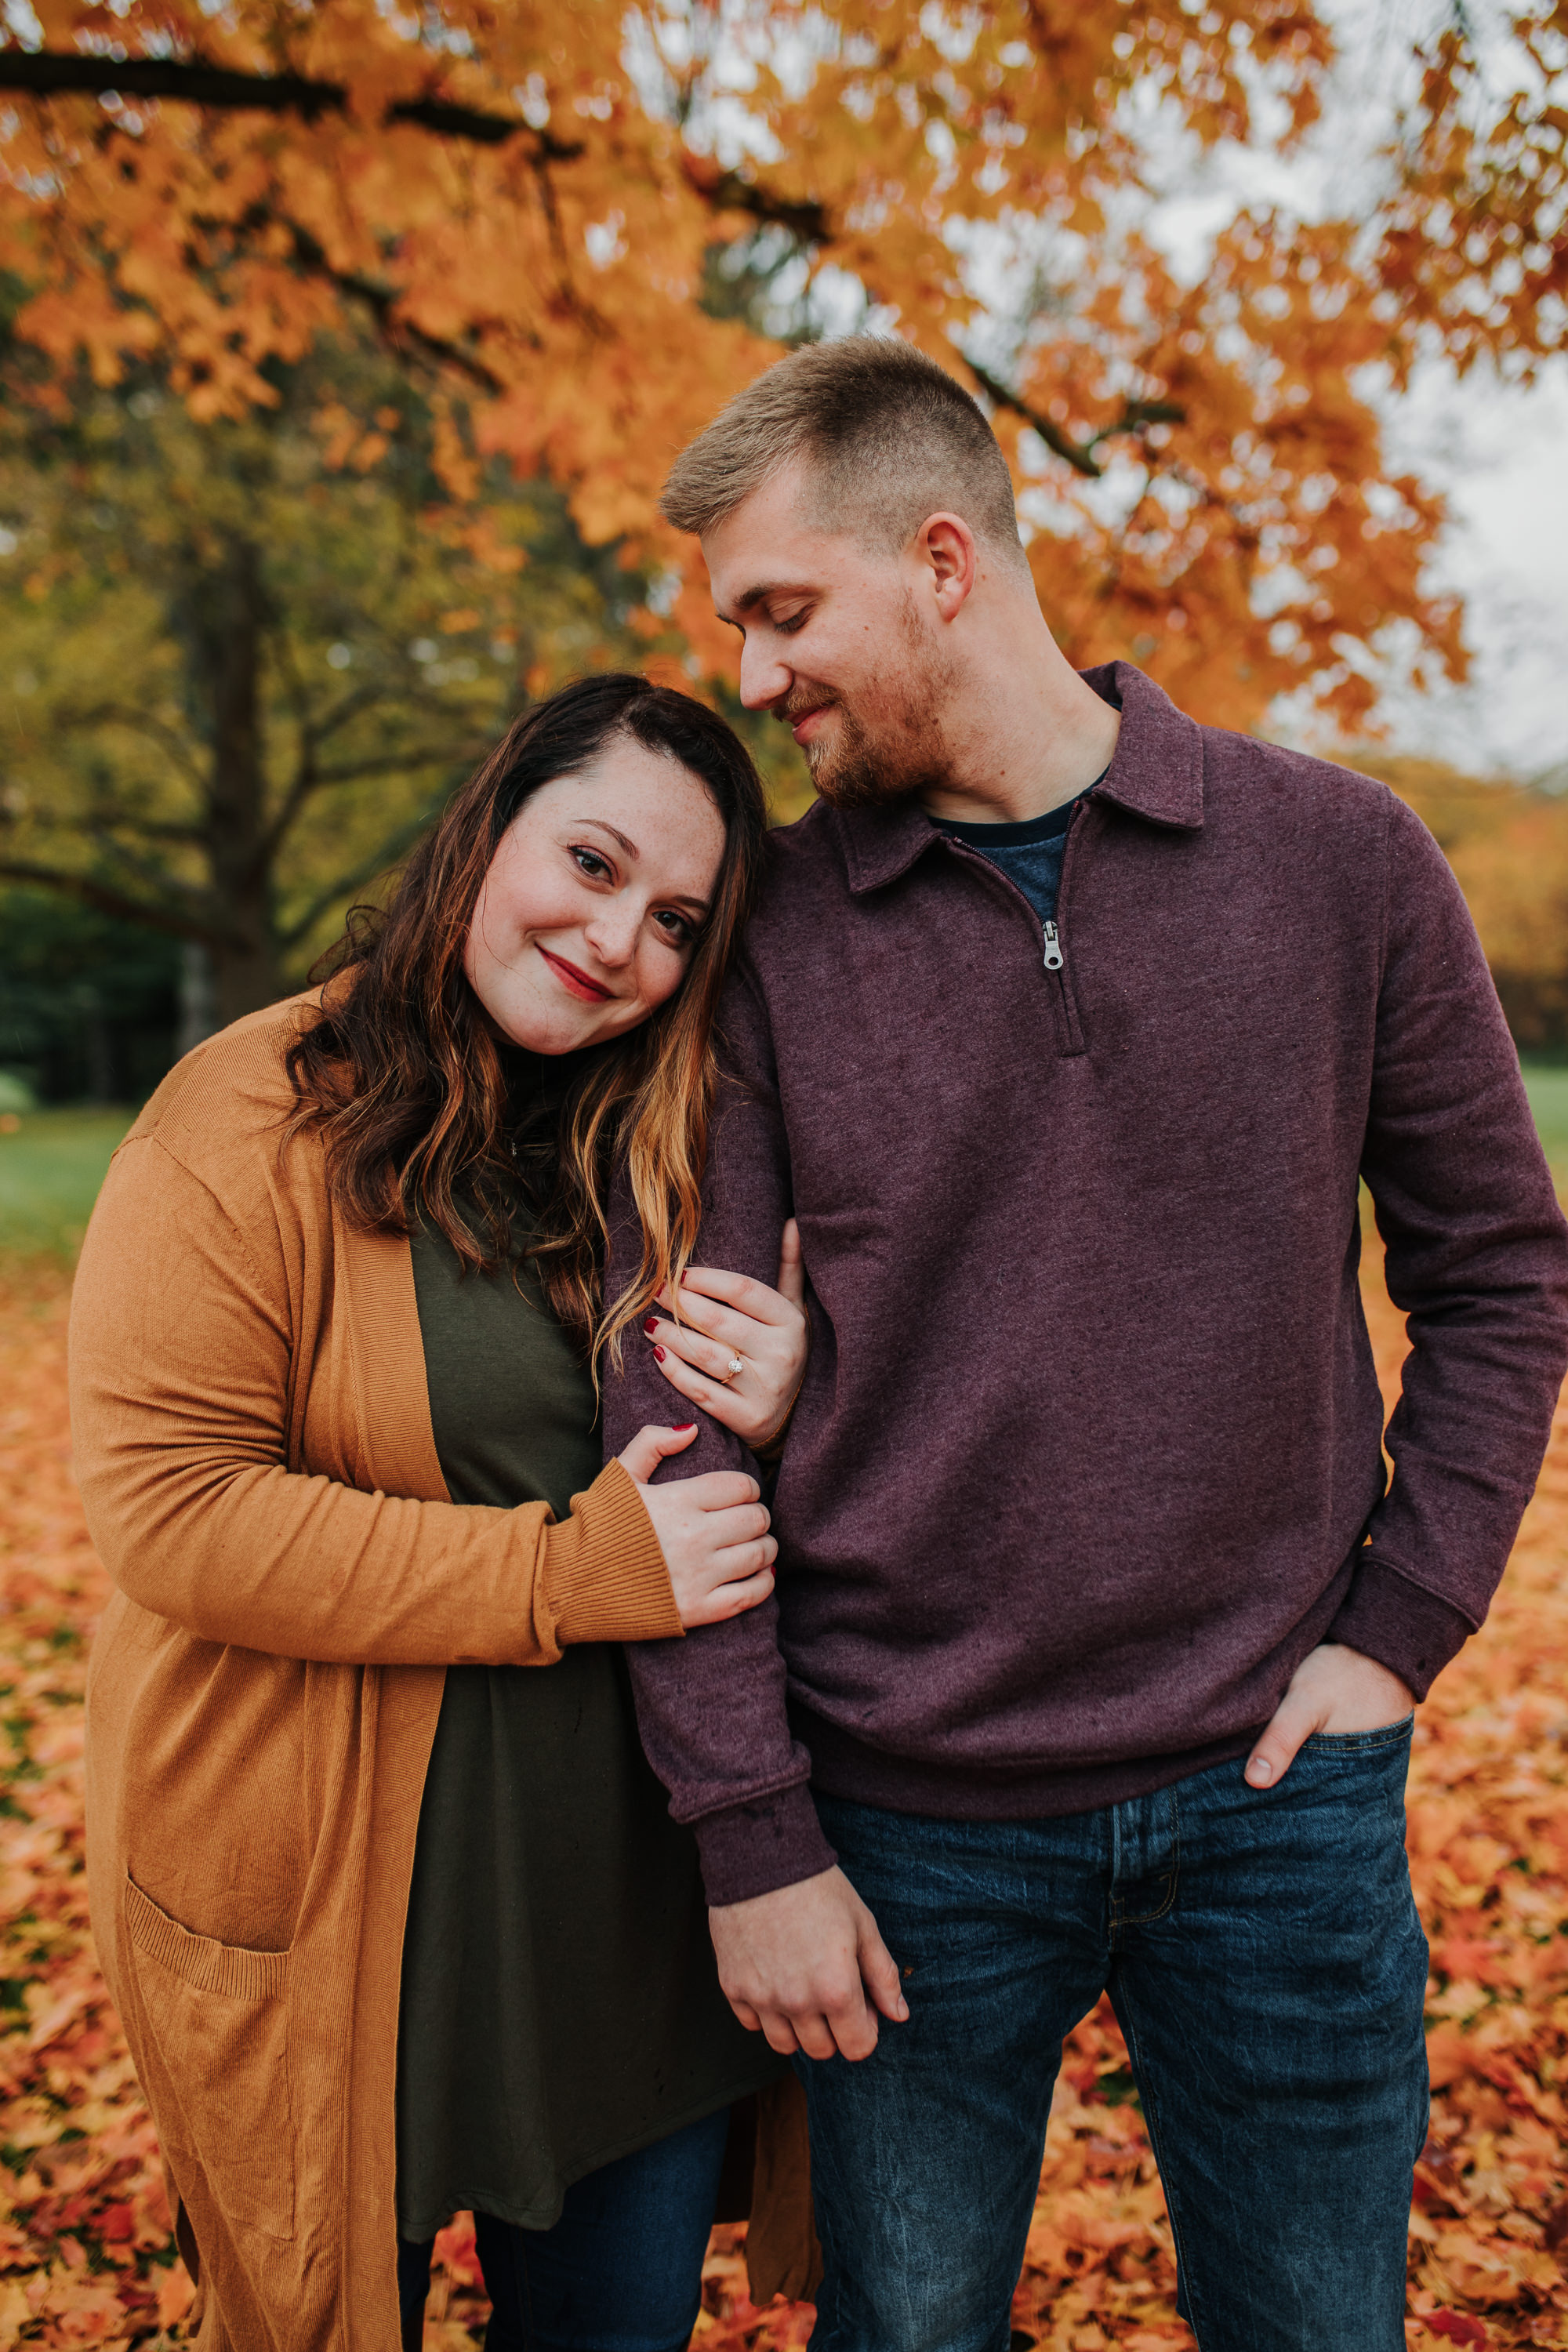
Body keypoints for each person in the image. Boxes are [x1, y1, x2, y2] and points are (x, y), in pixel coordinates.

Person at [611, 339, 1568, 2352]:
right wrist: (752, 1831)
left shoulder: (1341, 862)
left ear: (943, 559)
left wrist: (1401, 1626)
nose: (755, 677)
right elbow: (667, 1401)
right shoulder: (765, 933)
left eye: (783, 613)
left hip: (1276, 1800)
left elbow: (1500, 1273)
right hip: (902, 1825)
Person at [71, 674, 816, 2352]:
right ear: (488, 827)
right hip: (337, 1923)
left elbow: (763, 1514)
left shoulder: (676, 1144)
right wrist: (564, 1576)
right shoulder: (244, 1117)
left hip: (617, 1935)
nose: (621, 935)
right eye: (594, 861)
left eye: (678, 919)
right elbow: (173, 1516)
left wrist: (791, 1404)